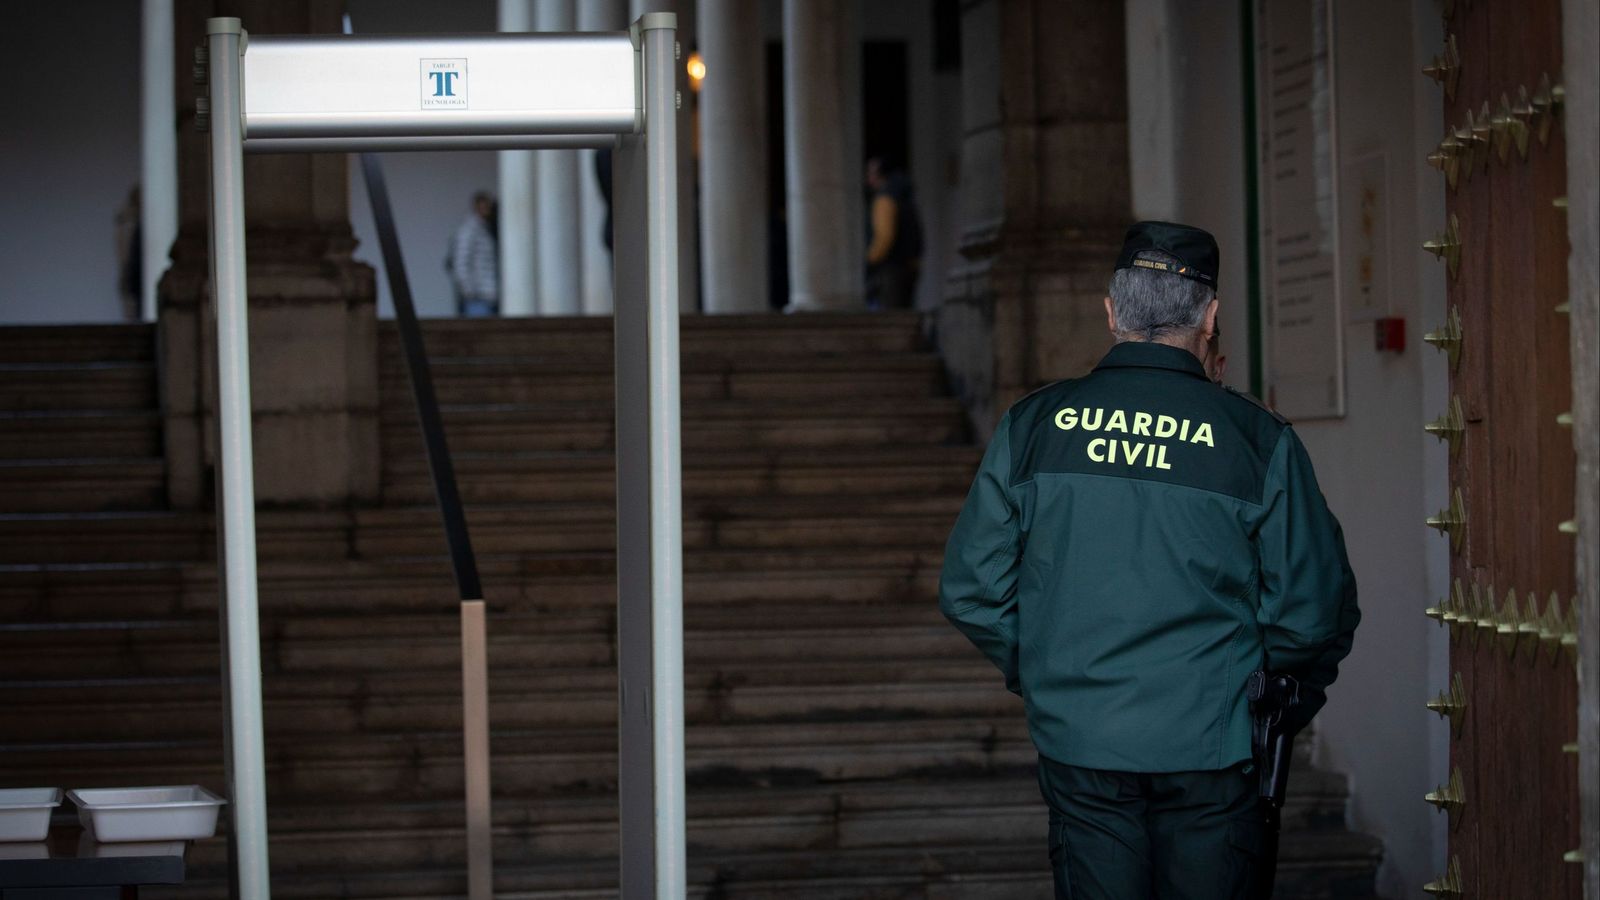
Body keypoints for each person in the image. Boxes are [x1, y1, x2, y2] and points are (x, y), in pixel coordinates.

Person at [939, 221, 1359, 899]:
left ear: (1111, 313)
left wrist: (1049, 670)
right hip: (1212, 744)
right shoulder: (1255, 441)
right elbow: (1312, 610)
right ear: (1212, 318)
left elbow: (972, 588)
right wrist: (1263, 702)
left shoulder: (1036, 426)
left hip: (1083, 737)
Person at [863, 157, 923, 310]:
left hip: (891, 268)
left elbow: (884, 237)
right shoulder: (903, 196)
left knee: (890, 320)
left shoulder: (885, 199)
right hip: (909, 266)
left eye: (871, 173)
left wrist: (869, 260)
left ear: (880, 176)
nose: (868, 178)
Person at [446, 191, 499, 317]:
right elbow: (461, 262)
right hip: (477, 297)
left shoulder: (485, 230)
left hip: (487, 295)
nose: (486, 210)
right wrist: (469, 291)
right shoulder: (469, 230)